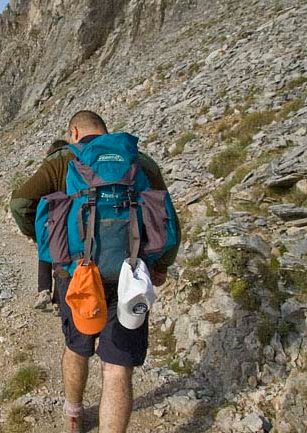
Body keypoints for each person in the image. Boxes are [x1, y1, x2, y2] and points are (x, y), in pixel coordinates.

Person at [10, 111, 180, 433]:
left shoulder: (63, 161)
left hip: (76, 275)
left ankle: (74, 416)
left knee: (77, 348)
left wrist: (45, 241)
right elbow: (168, 217)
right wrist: (160, 266)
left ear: (74, 131)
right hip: (130, 276)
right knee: (117, 369)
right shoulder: (138, 160)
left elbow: (19, 203)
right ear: (104, 129)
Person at [35, 139, 70, 311]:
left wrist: (33, 230)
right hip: (70, 222)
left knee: (44, 253)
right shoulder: (79, 166)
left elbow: (24, 201)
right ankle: (58, 299)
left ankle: (43, 290)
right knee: (62, 258)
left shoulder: (50, 168)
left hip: (50, 219)